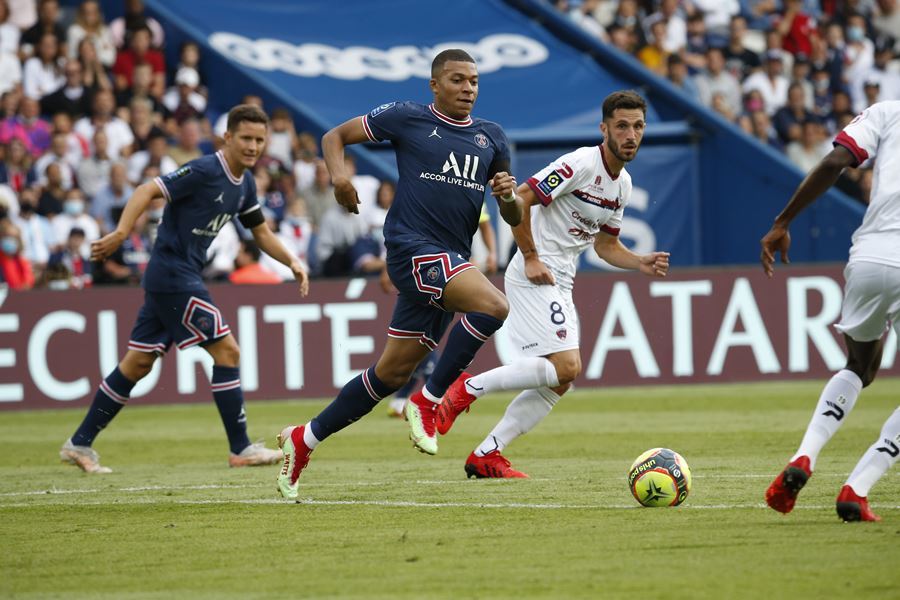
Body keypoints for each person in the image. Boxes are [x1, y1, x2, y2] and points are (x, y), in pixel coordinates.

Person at [275, 49, 523, 500]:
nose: (468, 88)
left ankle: (304, 439)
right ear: (434, 85)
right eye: (457, 80)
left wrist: (507, 197)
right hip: (412, 251)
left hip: (449, 261)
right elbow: (334, 136)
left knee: (389, 373)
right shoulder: (407, 117)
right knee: (494, 304)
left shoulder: (492, 138)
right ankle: (428, 400)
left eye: (473, 81)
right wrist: (339, 179)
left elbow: (511, 211)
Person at [60, 104, 310, 474]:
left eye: (259, 140)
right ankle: (241, 448)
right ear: (227, 137)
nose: (253, 146)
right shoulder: (206, 169)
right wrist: (121, 233)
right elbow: (148, 189)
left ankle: (79, 444)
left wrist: (291, 261)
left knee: (137, 363)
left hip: (173, 277)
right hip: (175, 275)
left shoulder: (245, 185)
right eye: (245, 138)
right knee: (228, 352)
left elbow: (260, 233)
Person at [436, 91, 670, 478]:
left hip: (562, 279)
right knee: (566, 366)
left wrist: (638, 262)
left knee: (561, 380)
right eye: (622, 126)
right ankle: (466, 388)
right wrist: (530, 256)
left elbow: (606, 245)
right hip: (533, 273)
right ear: (604, 129)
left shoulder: (622, 185)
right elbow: (519, 199)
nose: (631, 135)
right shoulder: (580, 163)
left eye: (639, 127)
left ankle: (487, 454)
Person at [761, 100, 900, 522]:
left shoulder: (888, 111)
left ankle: (805, 455)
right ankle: (856, 489)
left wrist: (783, 221)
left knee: (859, 366)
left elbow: (836, 160)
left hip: (870, 258)